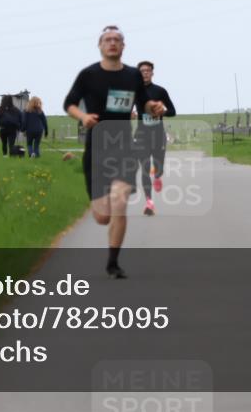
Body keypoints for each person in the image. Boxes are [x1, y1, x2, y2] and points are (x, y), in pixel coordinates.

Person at [63, 25, 166, 279]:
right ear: (100, 45)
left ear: (123, 46)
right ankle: (102, 213)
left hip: (124, 147)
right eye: (107, 39)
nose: (112, 43)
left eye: (117, 40)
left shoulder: (132, 76)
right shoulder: (88, 74)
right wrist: (83, 116)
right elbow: (69, 103)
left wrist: (156, 107)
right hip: (97, 149)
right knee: (102, 217)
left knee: (120, 203)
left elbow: (145, 102)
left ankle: (113, 263)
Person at [133, 61, 176, 216]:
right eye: (142, 71)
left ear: (152, 73)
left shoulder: (160, 91)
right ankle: (149, 203)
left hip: (158, 135)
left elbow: (172, 111)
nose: (145, 73)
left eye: (148, 70)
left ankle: (158, 176)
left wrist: (161, 112)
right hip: (142, 136)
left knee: (158, 167)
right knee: (145, 170)